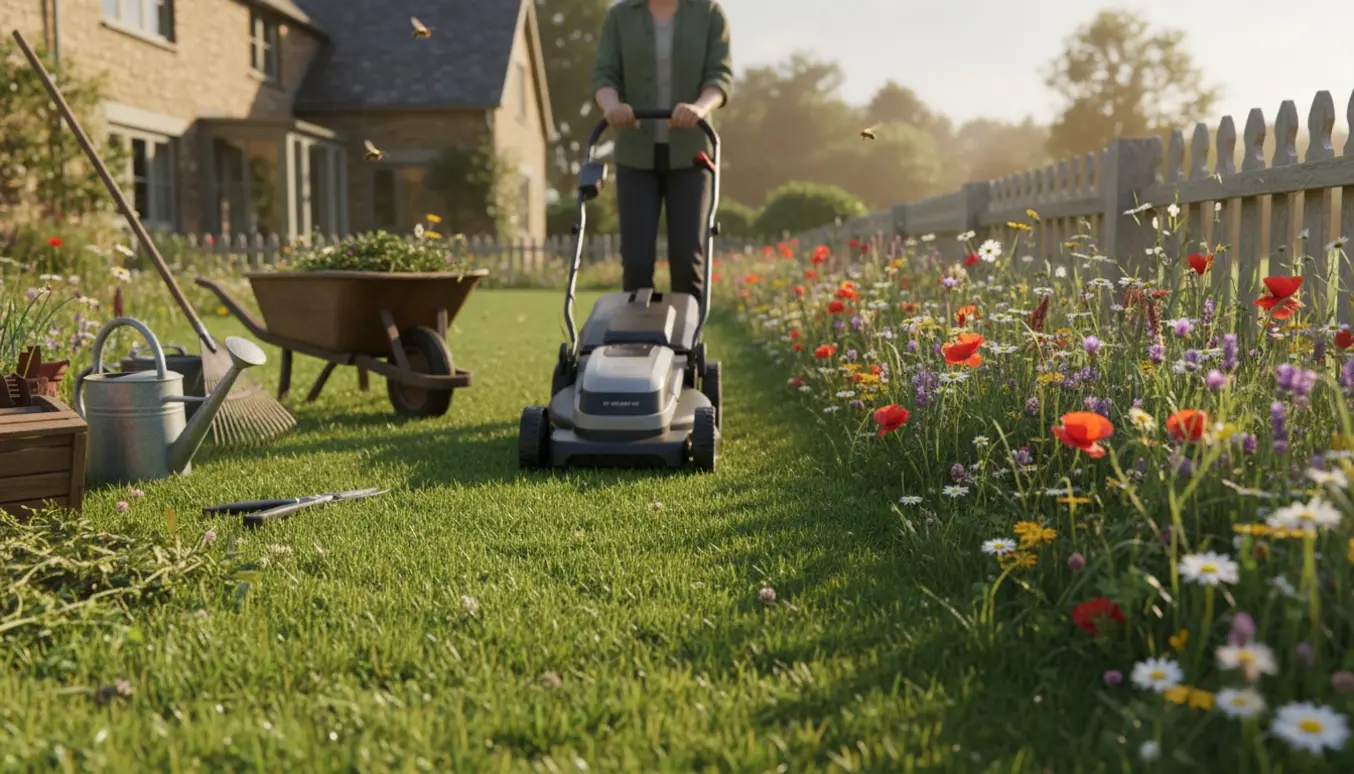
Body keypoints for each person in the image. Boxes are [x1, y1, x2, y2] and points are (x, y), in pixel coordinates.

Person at [590, 0, 733, 298]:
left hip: (692, 155)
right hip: (635, 154)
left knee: (687, 261)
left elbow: (720, 76)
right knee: (637, 262)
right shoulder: (620, 16)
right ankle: (636, 340)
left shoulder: (708, 13)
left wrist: (699, 108)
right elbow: (605, 74)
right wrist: (613, 107)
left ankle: (688, 342)